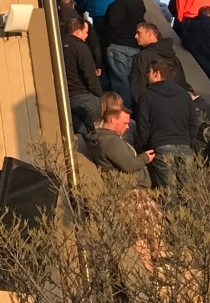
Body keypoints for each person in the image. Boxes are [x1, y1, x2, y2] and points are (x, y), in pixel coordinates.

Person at [137, 56, 199, 188]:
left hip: (161, 146)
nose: (147, 75)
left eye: (150, 71)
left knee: (168, 192)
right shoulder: (184, 95)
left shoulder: (146, 95)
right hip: (184, 145)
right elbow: (193, 123)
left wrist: (149, 144)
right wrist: (187, 140)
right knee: (188, 192)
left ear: (157, 74)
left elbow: (143, 125)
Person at [82, 92, 151, 185]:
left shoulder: (99, 136)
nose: (127, 127)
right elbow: (129, 165)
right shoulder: (111, 141)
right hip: (131, 187)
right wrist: (145, 157)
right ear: (113, 120)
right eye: (125, 123)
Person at [100, 0, 147, 94]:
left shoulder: (118, 4)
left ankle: (124, 104)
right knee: (133, 80)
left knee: (120, 82)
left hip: (118, 46)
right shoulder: (139, 3)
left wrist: (104, 44)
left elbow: (111, 26)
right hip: (135, 47)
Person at [63, 15, 104, 133]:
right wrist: (99, 95)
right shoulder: (80, 47)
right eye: (86, 32)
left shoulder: (58, 45)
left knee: (80, 133)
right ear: (78, 31)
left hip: (66, 97)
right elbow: (89, 75)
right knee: (99, 133)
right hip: (84, 96)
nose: (87, 36)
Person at [128, 21, 182, 107]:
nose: (136, 36)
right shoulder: (172, 56)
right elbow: (181, 80)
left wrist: (142, 108)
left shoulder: (143, 56)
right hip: (174, 105)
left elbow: (137, 85)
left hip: (149, 106)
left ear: (150, 34)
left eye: (139, 33)